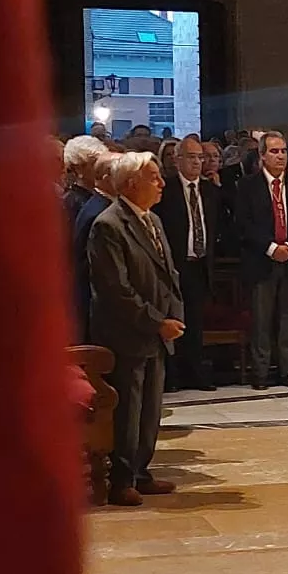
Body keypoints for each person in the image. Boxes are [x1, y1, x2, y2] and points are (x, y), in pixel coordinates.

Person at [86, 152, 185, 506]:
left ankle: (142, 471)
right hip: (128, 333)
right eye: (154, 177)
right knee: (129, 407)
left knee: (150, 409)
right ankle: (121, 478)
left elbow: (167, 274)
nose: (161, 184)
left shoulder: (153, 221)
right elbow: (117, 289)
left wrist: (172, 314)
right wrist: (156, 321)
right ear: (131, 184)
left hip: (157, 331)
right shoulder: (109, 225)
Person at [234, 130, 288, 389]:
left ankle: (287, 371)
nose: (280, 156)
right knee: (261, 320)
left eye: (283, 151)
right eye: (274, 151)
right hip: (262, 261)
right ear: (262, 155)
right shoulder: (248, 185)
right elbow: (244, 224)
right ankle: (260, 372)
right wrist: (271, 248)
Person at [153, 136, 220, 391]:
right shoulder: (166, 189)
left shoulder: (211, 191)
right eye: (191, 157)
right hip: (174, 265)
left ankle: (196, 373)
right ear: (177, 159)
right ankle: (173, 376)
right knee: (173, 321)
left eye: (200, 157)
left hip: (200, 264)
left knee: (196, 322)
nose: (196, 162)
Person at [71, 152, 120, 341]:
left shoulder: (100, 204)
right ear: (106, 177)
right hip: (96, 305)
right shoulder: (99, 213)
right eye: (120, 173)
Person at [61, 135, 105, 230]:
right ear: (78, 169)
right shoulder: (68, 204)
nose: (101, 168)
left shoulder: (101, 197)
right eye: (94, 162)